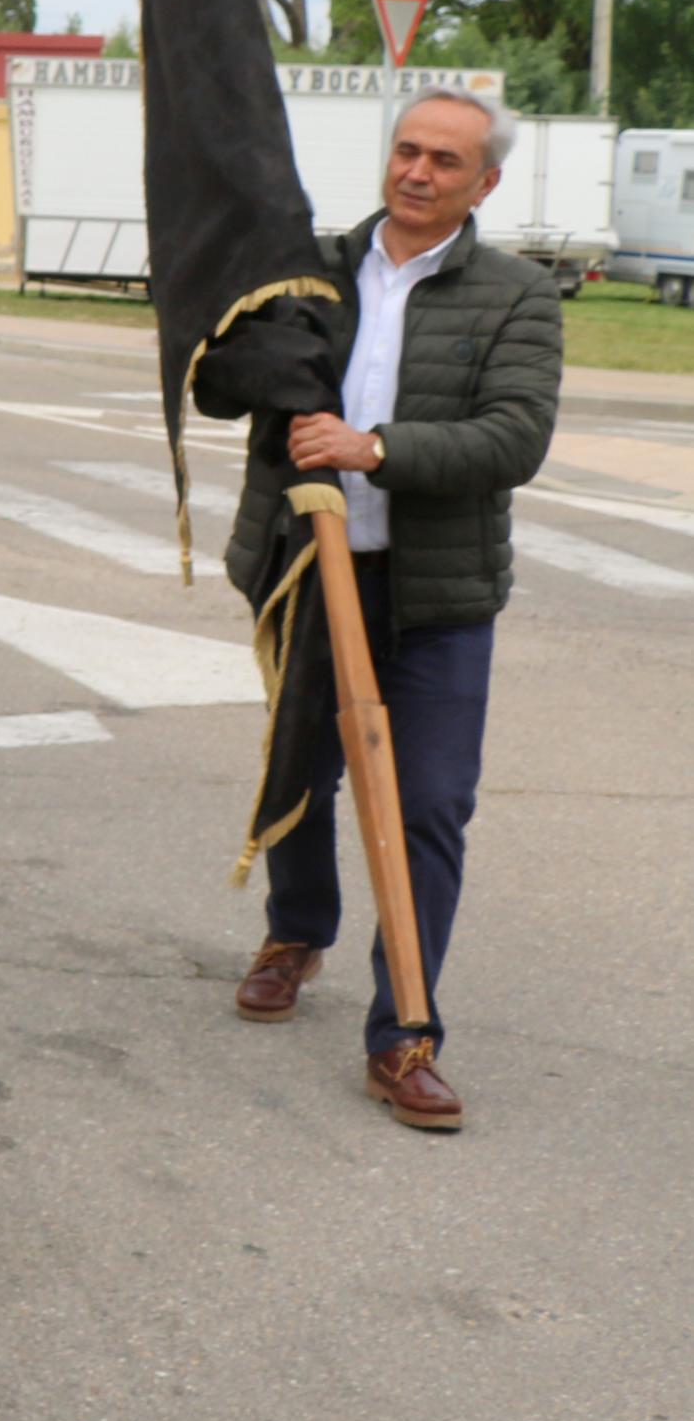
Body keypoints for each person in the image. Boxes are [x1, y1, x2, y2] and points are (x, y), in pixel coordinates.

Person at [214, 87, 560, 1132]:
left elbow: (514, 439)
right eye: (405, 150)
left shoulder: (515, 295)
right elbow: (219, 377)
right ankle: (294, 931)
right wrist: (234, 337)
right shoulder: (306, 269)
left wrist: (374, 448)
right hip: (305, 568)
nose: (414, 172)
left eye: (442, 161)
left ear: (482, 183)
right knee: (300, 772)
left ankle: (401, 1032)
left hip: (436, 589)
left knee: (428, 803)